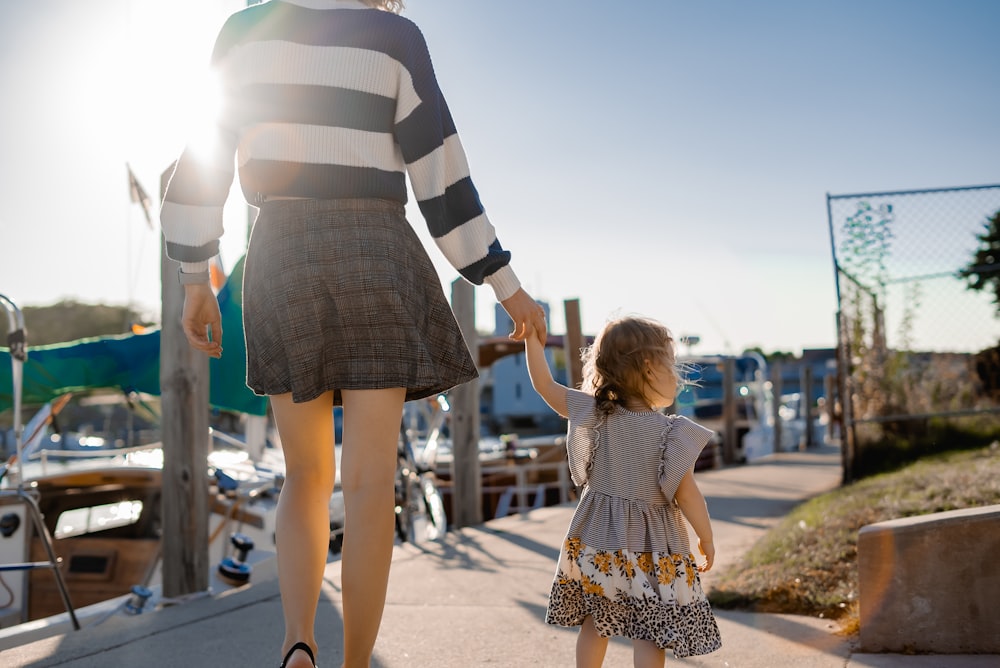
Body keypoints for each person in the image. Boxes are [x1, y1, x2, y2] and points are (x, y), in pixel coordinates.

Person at [159, 1, 546, 666]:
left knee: (305, 475)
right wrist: (505, 282)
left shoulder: (246, 30)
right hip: (376, 248)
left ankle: (298, 639)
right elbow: (441, 171)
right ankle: (355, 662)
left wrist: (195, 275)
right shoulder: (394, 36)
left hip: (280, 249)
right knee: (369, 484)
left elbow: (206, 152)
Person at [523, 315, 721, 667]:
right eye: (670, 365)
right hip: (653, 548)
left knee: (596, 620)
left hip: (599, 540)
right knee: (649, 629)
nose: (676, 374)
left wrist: (533, 341)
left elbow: (544, 385)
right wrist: (705, 536)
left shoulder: (594, 413)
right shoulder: (672, 434)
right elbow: (687, 494)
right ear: (648, 366)